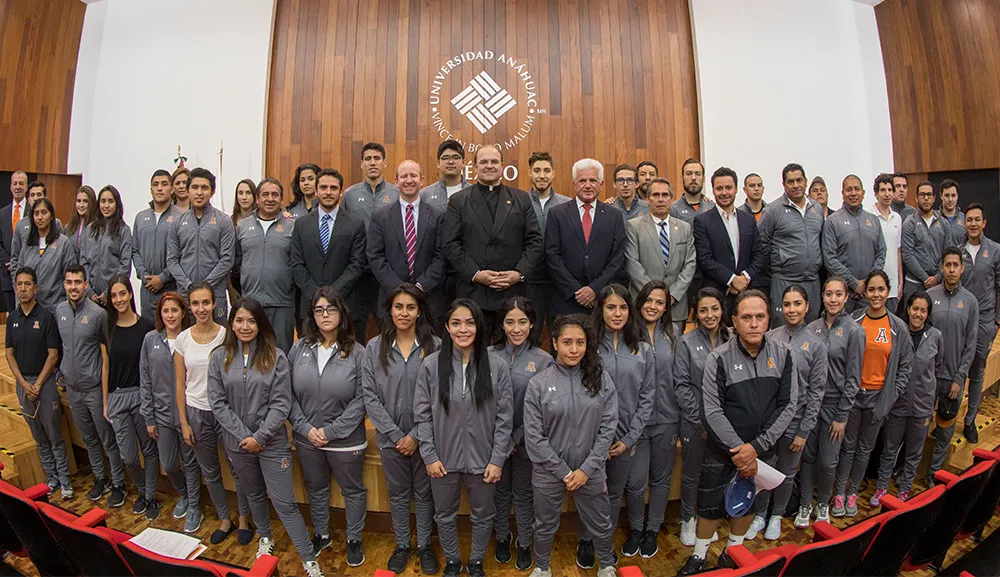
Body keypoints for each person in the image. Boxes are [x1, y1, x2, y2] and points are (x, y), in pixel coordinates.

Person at [676, 289, 798, 576]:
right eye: (746, 317)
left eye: (759, 317)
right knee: (709, 506)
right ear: (734, 321)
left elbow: (788, 405)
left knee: (747, 506)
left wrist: (755, 448)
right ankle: (699, 556)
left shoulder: (784, 355)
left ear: (769, 319)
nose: (753, 323)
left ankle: (732, 553)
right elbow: (712, 411)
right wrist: (739, 449)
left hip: (762, 452)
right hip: (723, 451)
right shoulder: (718, 359)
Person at [207, 298, 324, 577]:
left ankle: (309, 560)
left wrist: (259, 436)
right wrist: (244, 436)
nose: (245, 326)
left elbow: (281, 403)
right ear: (231, 323)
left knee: (284, 502)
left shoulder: (276, 356)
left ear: (260, 324)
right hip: (237, 444)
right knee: (254, 494)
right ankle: (265, 538)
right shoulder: (218, 357)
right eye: (239, 320)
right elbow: (217, 402)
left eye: (251, 320)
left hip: (272, 444)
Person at [413, 298, 513, 577]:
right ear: (446, 327)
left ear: (479, 327)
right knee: (444, 515)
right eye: (456, 323)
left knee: (484, 514)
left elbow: (505, 418)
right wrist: (430, 456)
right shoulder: (432, 365)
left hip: (484, 460)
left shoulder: (497, 366)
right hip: (442, 460)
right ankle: (454, 562)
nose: (463, 329)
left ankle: (477, 561)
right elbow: (422, 415)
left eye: (469, 323)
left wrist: (497, 459)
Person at [523, 314, 619, 577]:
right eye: (567, 342)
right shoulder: (538, 384)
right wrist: (565, 473)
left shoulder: (601, 379)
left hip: (591, 469)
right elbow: (534, 437)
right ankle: (542, 568)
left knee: (601, 522)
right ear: (554, 343)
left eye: (580, 342)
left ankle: (607, 565)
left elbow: (607, 428)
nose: (574, 349)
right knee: (544, 524)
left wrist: (586, 470)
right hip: (549, 472)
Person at [362, 284, 441, 575]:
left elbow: (439, 397)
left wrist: (417, 435)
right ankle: (401, 545)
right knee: (397, 494)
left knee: (423, 494)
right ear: (390, 310)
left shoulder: (436, 346)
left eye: (410, 307)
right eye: (399, 307)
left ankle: (423, 545)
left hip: (426, 439)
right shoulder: (374, 348)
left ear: (419, 311)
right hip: (390, 439)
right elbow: (370, 397)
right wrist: (397, 436)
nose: (404, 313)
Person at [288, 288, 368, 565]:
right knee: (316, 486)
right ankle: (321, 533)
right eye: (319, 310)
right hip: (306, 436)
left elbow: (363, 399)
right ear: (312, 315)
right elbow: (287, 394)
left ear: (342, 313)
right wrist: (306, 428)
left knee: (353, 490)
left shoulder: (359, 352)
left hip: (346, 440)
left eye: (331, 309)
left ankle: (354, 538)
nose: (325, 315)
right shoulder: (298, 349)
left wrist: (331, 431)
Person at [745, 286, 828, 541]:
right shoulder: (770, 338)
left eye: (797, 304)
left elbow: (817, 391)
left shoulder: (816, 344)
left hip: (797, 422)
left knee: (787, 472)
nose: (792, 309)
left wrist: (804, 430)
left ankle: (778, 515)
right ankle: (760, 514)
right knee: (764, 468)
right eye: (787, 304)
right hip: (769, 422)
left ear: (807, 307)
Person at [580, 284, 654, 563]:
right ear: (601, 310)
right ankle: (586, 541)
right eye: (611, 307)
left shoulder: (643, 350)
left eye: (623, 307)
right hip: (592, 438)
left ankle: (603, 542)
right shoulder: (587, 347)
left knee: (612, 494)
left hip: (626, 438)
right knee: (591, 492)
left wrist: (629, 438)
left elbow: (648, 397)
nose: (617, 313)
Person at [832, 270, 912, 517]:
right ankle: (839, 494)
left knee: (865, 449)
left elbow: (906, 367)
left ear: (887, 292)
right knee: (847, 446)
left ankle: (853, 492)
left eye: (880, 289)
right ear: (864, 293)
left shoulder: (897, 327)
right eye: (871, 290)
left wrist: (890, 397)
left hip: (878, 398)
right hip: (853, 397)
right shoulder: (853, 321)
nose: (876, 294)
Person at [174, 282, 251, 540]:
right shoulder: (182, 339)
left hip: (226, 413)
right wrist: (184, 422)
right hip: (197, 412)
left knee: (238, 468)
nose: (201, 308)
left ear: (215, 303)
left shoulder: (227, 336)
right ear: (190, 306)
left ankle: (243, 519)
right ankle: (224, 519)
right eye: (195, 303)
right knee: (211, 472)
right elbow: (179, 383)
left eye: (206, 302)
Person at [441, 145, 543, 338]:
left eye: (494, 162)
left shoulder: (521, 199)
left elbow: (535, 241)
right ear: (474, 167)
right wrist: (476, 274)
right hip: (474, 293)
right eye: (484, 162)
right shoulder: (459, 200)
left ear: (502, 166)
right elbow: (450, 245)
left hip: (512, 293)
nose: (489, 166)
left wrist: (518, 273)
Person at [489, 297, 554, 570]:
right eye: (510, 322)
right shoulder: (488, 355)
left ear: (532, 324)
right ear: (502, 325)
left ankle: (525, 542)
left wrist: (517, 437)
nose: (516, 329)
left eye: (522, 322)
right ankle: (503, 537)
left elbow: (544, 410)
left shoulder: (544, 360)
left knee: (524, 494)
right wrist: (502, 440)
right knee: (500, 493)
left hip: (529, 441)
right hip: (495, 442)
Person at [797, 276, 864, 527]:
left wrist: (842, 415)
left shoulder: (854, 331)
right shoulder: (811, 328)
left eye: (838, 294)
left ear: (846, 297)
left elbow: (854, 377)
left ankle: (823, 503)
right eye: (828, 294)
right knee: (808, 456)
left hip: (835, 406)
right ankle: (805, 504)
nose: (833, 299)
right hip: (810, 404)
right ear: (822, 297)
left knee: (828, 460)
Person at [57, 265, 126, 506]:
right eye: (69, 282)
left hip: (95, 388)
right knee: (89, 439)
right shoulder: (59, 311)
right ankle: (100, 478)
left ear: (86, 285)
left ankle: (118, 483)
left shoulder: (99, 315)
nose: (73, 287)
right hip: (73, 389)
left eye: (78, 282)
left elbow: (107, 354)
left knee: (108, 439)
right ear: (64, 285)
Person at [5, 267, 71, 498]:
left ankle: (65, 481)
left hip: (45, 384)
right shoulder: (12, 318)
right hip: (24, 386)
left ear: (36, 288)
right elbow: (9, 354)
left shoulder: (45, 317)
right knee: (39, 436)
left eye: (27, 284)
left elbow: (53, 354)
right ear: (15, 287)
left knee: (54, 435)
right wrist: (23, 384)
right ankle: (51, 478)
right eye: (19, 284)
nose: (23, 289)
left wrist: (39, 383)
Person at [872, 291, 942, 503]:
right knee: (889, 449)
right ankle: (881, 487)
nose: (918, 314)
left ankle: (905, 488)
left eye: (923, 310)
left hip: (922, 405)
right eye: (915, 309)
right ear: (908, 309)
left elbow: (937, 369)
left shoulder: (936, 336)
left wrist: (932, 404)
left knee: (914, 451)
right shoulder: (897, 332)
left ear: (927, 313)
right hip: (897, 403)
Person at [139, 291, 203, 522]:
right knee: (168, 463)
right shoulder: (150, 340)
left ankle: (194, 507)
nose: (170, 315)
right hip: (161, 414)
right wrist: (149, 417)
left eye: (174, 310)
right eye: (165, 311)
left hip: (187, 413)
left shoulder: (191, 339)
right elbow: (145, 380)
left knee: (190, 462)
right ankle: (184, 495)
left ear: (183, 312)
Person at [628, 280, 680, 558]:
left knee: (661, 479)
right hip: (636, 422)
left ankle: (652, 531)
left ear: (666, 306)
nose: (653, 306)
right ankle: (635, 529)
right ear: (640, 302)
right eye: (649, 300)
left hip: (668, 419)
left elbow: (682, 380)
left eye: (660, 302)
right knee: (635, 482)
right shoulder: (627, 333)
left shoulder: (675, 334)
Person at [101, 274, 160, 518]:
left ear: (130, 294)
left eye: (122, 293)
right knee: (128, 456)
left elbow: (150, 368)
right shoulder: (106, 327)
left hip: (141, 396)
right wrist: (105, 402)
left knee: (149, 451)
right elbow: (105, 365)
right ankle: (143, 490)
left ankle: (150, 497)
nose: (118, 299)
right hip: (116, 397)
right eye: (113, 295)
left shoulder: (146, 326)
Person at [674, 288, 729, 546]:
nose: (710, 315)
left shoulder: (733, 338)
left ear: (722, 310)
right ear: (695, 313)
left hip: (726, 424)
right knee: (692, 473)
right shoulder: (686, 342)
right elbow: (682, 386)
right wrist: (700, 421)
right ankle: (688, 519)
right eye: (704, 310)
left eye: (714, 309)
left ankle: (709, 517)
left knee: (717, 473)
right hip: (695, 422)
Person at [289, 168, 367, 337]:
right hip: (310, 308)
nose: (328, 192)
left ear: (340, 192)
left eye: (333, 188)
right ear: (316, 191)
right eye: (323, 188)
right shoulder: (301, 225)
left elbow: (357, 265)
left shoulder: (355, 224)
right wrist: (317, 297)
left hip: (345, 307)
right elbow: (297, 265)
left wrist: (332, 297)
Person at [368, 160, 447, 326]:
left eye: (413, 175)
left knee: (430, 350)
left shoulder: (437, 215)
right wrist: (400, 290)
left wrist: (420, 287)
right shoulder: (380, 216)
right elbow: (375, 256)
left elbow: (441, 256)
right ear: (396, 181)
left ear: (422, 180)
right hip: (391, 299)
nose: (409, 180)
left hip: (429, 300)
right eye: (404, 176)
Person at [545, 158, 627, 319]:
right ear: (574, 183)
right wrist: (576, 291)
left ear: (601, 184)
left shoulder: (614, 215)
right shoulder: (557, 214)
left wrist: (594, 290)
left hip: (602, 300)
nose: (588, 185)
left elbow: (617, 259)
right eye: (582, 180)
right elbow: (552, 255)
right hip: (566, 299)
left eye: (593, 180)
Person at [928, 248, 979, 477]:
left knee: (944, 431)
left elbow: (971, 345)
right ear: (942, 268)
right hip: (927, 377)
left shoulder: (970, 302)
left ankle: (934, 475)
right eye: (947, 265)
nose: (951, 269)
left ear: (961, 268)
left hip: (953, 380)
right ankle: (907, 471)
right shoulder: (929, 296)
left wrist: (960, 377)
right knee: (918, 427)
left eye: (955, 265)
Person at [343, 142, 401, 338]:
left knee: (386, 322)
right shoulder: (350, 195)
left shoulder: (396, 193)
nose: (372, 163)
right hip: (358, 271)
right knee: (355, 323)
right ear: (361, 164)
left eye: (377, 158)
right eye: (368, 159)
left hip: (386, 270)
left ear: (385, 162)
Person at [625, 178, 696, 333]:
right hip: (643, 304)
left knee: (675, 351)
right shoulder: (633, 226)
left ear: (671, 199)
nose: (660, 199)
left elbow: (690, 265)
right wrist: (654, 297)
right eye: (656, 195)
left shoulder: (685, 228)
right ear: (647, 199)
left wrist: (673, 295)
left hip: (675, 305)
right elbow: (632, 264)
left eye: (665, 195)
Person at [166, 168, 236, 325]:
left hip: (214, 294)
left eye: (204, 188)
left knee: (218, 343)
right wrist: (188, 285)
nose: (199, 192)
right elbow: (172, 260)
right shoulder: (176, 224)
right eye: (195, 187)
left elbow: (227, 259)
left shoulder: (223, 221)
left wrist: (205, 287)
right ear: (188, 191)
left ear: (212, 192)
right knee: (185, 341)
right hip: (185, 294)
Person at [234, 178, 296, 353]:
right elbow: (237, 263)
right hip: (251, 303)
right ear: (257, 199)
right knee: (252, 354)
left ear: (281, 199)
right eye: (265, 194)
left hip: (282, 303)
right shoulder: (242, 227)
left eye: (275, 195)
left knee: (281, 354)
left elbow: (297, 263)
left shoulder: (292, 227)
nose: (270, 199)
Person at [758, 163, 825, 325]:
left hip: (812, 282)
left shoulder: (816, 208)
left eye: (799, 180)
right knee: (782, 330)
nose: (796, 185)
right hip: (784, 280)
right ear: (784, 184)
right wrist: (778, 264)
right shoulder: (773, 210)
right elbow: (761, 244)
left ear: (806, 181)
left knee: (811, 328)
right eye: (791, 182)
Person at [693, 167, 764, 318]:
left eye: (728, 188)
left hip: (746, 292)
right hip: (717, 295)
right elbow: (704, 259)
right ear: (713, 190)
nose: (724, 192)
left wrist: (743, 279)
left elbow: (758, 254)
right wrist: (731, 279)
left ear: (736, 189)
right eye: (719, 188)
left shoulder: (748, 219)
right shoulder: (702, 221)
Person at [960, 203, 1000, 443]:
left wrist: (997, 321)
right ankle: (949, 416)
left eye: (977, 219)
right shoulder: (957, 251)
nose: (973, 224)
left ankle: (970, 421)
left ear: (984, 222)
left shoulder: (995, 250)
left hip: (985, 322)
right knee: (956, 370)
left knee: (976, 373)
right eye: (969, 220)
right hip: (961, 321)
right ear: (965, 223)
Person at [822, 175, 886, 313]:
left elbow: (881, 252)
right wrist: (854, 283)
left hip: (868, 295)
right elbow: (829, 258)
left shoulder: (873, 220)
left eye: (857, 189)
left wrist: (869, 282)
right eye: (848, 189)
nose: (853, 193)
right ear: (842, 193)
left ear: (863, 193)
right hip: (843, 295)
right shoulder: (832, 221)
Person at [525, 151, 571, 341]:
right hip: (529, 280)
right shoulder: (520, 202)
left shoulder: (567, 204)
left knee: (560, 331)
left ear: (553, 173)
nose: (541, 175)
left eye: (546, 170)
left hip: (558, 281)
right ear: (529, 173)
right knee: (529, 330)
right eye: (537, 170)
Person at [133, 170, 184, 320]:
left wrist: (163, 277)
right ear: (151, 190)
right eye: (156, 185)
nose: (160, 188)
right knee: (149, 333)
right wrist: (144, 276)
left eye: (164, 184)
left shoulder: (181, 217)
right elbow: (135, 250)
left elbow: (183, 253)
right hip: (147, 289)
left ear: (172, 189)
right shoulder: (141, 218)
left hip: (171, 288)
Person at [10, 198, 76, 312]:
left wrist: (67, 310)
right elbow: (19, 278)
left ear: (51, 216)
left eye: (44, 212)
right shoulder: (27, 245)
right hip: (30, 310)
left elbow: (70, 279)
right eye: (36, 213)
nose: (40, 217)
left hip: (55, 309)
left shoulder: (63, 243)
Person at [901, 181, 954, 306]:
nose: (926, 198)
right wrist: (925, 278)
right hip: (914, 284)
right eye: (922, 195)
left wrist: (937, 277)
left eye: (929, 195)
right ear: (916, 198)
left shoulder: (944, 223)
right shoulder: (910, 223)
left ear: (934, 198)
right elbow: (907, 255)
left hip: (939, 283)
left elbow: (948, 254)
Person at [80, 185, 132, 306]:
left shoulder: (123, 230)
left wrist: (109, 292)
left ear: (117, 204)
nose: (106, 206)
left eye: (110, 201)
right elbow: (83, 261)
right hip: (90, 296)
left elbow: (124, 266)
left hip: (114, 297)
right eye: (103, 201)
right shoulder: (90, 229)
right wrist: (88, 291)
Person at [11, 181, 64, 264]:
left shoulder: (56, 223)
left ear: (45, 198)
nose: (35, 198)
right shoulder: (20, 225)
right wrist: (17, 276)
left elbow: (62, 252)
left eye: (39, 195)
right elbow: (15, 258)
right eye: (32, 195)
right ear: (28, 199)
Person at [873, 174, 904, 314]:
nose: (887, 194)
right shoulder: (869, 216)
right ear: (876, 193)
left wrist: (900, 280)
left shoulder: (897, 218)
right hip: (875, 283)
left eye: (890, 190)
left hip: (892, 282)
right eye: (883, 190)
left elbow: (898, 251)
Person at [1, 170, 29, 311]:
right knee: (12, 317)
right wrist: (10, 261)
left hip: (28, 274)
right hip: (7, 274)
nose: (18, 187)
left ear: (26, 187)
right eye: (15, 184)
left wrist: (18, 262)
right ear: (10, 187)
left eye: (21, 183)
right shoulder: (2, 213)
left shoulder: (33, 213)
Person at [227, 178, 258, 304]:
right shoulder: (229, 221)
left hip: (254, 276)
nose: (244, 197)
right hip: (235, 277)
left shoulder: (260, 220)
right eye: (240, 193)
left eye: (248, 193)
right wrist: (229, 287)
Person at [419, 140, 469, 209]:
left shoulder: (475, 194)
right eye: (445, 158)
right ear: (438, 164)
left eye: (456, 158)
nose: (451, 162)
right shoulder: (424, 195)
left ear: (463, 163)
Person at [670, 158, 715, 223]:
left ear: (703, 179)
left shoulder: (712, 207)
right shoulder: (673, 209)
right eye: (689, 174)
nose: (693, 178)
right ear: (682, 178)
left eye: (698, 174)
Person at [67, 185, 98, 256]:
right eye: (78, 201)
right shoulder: (68, 227)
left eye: (85, 201)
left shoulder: (97, 227)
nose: (81, 205)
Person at [940, 179, 966, 245]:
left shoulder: (965, 219)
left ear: (957, 196)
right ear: (941, 196)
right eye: (947, 195)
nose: (950, 199)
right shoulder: (934, 218)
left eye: (953, 195)